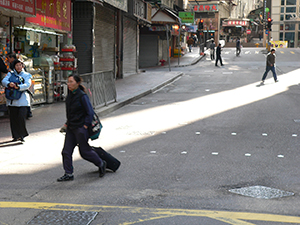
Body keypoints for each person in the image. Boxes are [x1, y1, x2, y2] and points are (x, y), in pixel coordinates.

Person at [57, 74, 106, 182]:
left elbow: (90, 112)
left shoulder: (82, 96)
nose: (68, 84)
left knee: (85, 152)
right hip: (71, 128)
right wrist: (66, 124)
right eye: (68, 82)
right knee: (66, 151)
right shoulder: (70, 96)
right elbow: (70, 113)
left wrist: (84, 126)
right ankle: (68, 173)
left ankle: (101, 163)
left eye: (71, 82)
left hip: (80, 128)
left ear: (77, 83)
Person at [1, 60, 32, 142]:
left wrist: (19, 87)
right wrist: (9, 84)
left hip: (23, 101)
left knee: (21, 118)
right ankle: (15, 136)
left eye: (20, 65)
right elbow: (3, 81)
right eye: (17, 65)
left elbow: (28, 84)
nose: (19, 67)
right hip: (12, 101)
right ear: (14, 66)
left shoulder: (26, 75)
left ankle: (22, 135)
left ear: (23, 66)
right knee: (13, 119)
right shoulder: (10, 74)